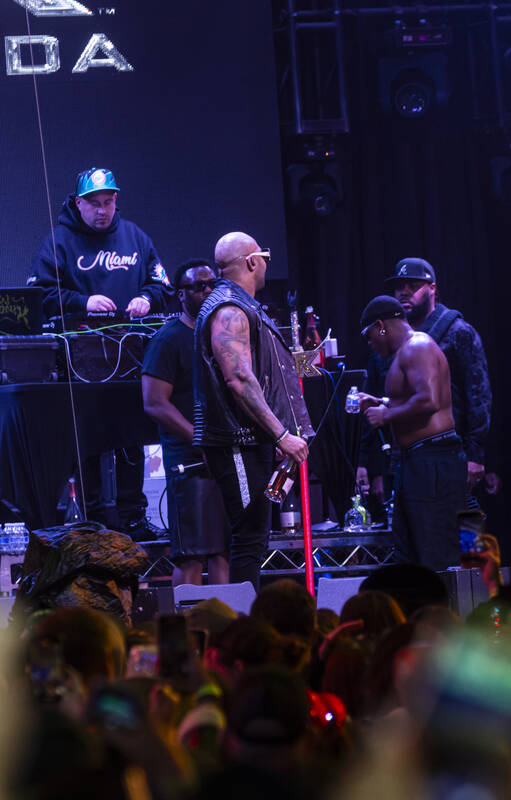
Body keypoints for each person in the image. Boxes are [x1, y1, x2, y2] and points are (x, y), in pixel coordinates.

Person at [29, 167, 170, 539]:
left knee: (132, 435)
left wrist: (145, 297)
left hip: (131, 354)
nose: (102, 210)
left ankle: (133, 516)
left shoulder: (134, 237)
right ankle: (91, 517)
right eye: (94, 203)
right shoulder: (58, 241)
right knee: (87, 438)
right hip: (80, 358)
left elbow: (162, 283)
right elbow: (39, 296)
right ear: (78, 203)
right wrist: (81, 301)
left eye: (108, 202)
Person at [194, 232, 313, 589]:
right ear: (251, 261)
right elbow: (240, 379)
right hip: (236, 441)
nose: (266, 264)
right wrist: (280, 433)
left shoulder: (240, 305)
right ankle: (243, 630)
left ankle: (247, 622)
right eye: (264, 256)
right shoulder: (229, 309)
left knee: (254, 536)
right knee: (249, 535)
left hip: (249, 440)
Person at [357, 257, 493, 500]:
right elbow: (390, 397)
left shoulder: (457, 332)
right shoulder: (387, 337)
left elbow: (479, 396)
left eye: (414, 286)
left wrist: (476, 455)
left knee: (453, 530)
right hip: (403, 456)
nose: (405, 292)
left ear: (432, 289)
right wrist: (370, 465)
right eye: (400, 287)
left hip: (448, 454)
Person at [356, 296, 467, 571]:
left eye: (369, 335)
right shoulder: (405, 353)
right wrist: (381, 403)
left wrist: (386, 415)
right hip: (415, 462)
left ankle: (446, 613)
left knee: (435, 552)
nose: (370, 343)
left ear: (380, 326)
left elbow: (428, 400)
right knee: (409, 552)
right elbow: (413, 398)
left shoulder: (418, 346)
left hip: (434, 461)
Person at [141, 259, 230, 586]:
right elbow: (154, 403)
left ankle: (228, 628)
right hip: (191, 460)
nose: (207, 291)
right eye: (198, 286)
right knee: (192, 552)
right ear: (181, 294)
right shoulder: (168, 339)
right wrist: (199, 439)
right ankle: (188, 633)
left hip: (226, 455)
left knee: (224, 551)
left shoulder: (222, 335)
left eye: (212, 285)